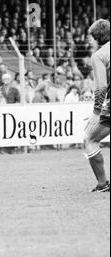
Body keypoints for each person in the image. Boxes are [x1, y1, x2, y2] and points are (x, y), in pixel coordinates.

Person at [83, 19, 110, 192]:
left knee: (90, 139)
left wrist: (96, 112)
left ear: (97, 37)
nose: (89, 40)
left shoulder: (99, 55)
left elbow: (101, 87)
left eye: (90, 37)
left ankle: (102, 184)